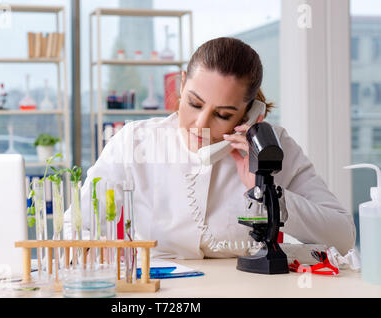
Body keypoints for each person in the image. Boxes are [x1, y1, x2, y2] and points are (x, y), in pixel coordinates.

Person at [64, 37, 356, 259]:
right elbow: (75, 230)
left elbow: (342, 237)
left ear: (252, 112)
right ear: (181, 85)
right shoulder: (133, 142)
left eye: (223, 114)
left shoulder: (273, 147)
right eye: (194, 103)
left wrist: (266, 191)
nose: (199, 123)